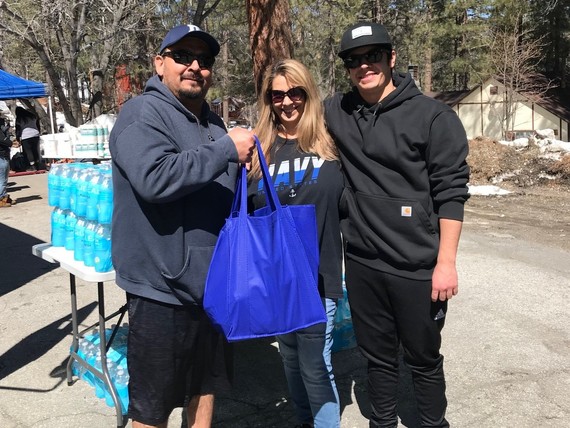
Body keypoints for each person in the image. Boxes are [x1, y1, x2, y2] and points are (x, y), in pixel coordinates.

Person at [324, 22, 470, 427]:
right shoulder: (338, 110)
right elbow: (291, 119)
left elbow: (451, 195)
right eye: (354, 60)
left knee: (423, 358)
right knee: (378, 357)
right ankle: (382, 422)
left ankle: (431, 423)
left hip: (418, 267)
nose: (363, 66)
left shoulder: (433, 117)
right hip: (364, 263)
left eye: (373, 55)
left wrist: (446, 262)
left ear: (391, 58)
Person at [109, 24, 255, 428]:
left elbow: (220, 188)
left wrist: (248, 171)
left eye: (204, 60)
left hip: (212, 288)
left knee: (203, 390)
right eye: (183, 57)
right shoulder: (141, 113)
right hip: (161, 292)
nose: (195, 66)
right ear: (160, 63)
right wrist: (226, 150)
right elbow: (155, 177)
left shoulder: (212, 124)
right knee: (152, 410)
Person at [247, 59, 344, 428]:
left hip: (317, 276)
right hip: (275, 278)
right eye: (277, 96)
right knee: (289, 358)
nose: (287, 102)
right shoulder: (258, 150)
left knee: (316, 365)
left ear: (309, 94)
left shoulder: (332, 145)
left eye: (295, 93)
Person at [15, 106, 43, 171]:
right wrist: (38, 132)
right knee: (36, 150)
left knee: (28, 152)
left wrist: (18, 138)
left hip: (25, 136)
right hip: (35, 134)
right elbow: (37, 124)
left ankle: (32, 166)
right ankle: (38, 164)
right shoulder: (32, 116)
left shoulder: (19, 118)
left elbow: (18, 129)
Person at [0, 117, 14, 207]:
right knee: (2, 180)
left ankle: (3, 196)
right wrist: (10, 141)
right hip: (2, 156)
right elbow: (7, 142)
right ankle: (2, 197)